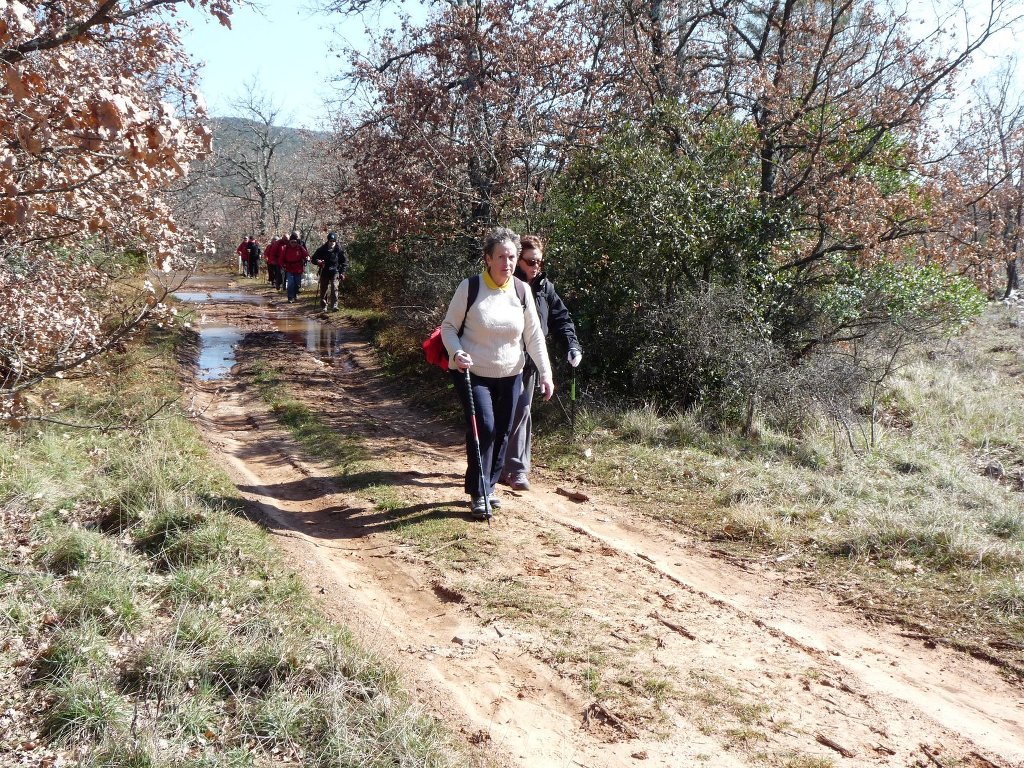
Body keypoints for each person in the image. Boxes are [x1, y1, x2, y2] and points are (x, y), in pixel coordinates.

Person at [442, 227, 553, 518]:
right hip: (473, 371)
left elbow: (534, 336)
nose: (507, 262)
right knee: (485, 428)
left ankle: (489, 487)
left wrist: (546, 373)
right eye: (501, 256)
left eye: (512, 257)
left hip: (511, 374)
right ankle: (478, 492)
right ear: (488, 259)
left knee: (503, 432)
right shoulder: (471, 288)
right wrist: (457, 352)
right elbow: (449, 328)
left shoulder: (521, 291)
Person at [501, 235, 582, 491]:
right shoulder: (506, 285)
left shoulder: (546, 287)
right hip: (500, 359)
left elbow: (562, 318)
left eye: (539, 261)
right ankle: (495, 465)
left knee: (522, 410)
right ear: (519, 260)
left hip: (529, 362)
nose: (535, 266)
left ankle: (516, 470)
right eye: (530, 261)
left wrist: (572, 346)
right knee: (500, 414)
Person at [312, 232, 347, 310]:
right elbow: (313, 259)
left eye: (333, 241)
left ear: (335, 241)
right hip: (324, 271)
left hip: (335, 271)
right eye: (330, 241)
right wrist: (318, 262)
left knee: (334, 287)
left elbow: (344, 262)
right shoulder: (322, 249)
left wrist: (342, 273)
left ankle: (334, 305)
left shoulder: (339, 250)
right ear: (328, 241)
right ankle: (324, 306)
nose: (332, 242)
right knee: (323, 289)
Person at [280, 231, 309, 303]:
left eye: (295, 242)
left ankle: (295, 295)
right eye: (292, 242)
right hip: (289, 268)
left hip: (298, 268)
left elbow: (306, 255)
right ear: (290, 242)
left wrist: (307, 258)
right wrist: (283, 265)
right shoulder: (286, 248)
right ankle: (290, 297)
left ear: (297, 242)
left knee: (297, 284)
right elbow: (281, 258)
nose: (293, 244)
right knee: (290, 283)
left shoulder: (300, 248)